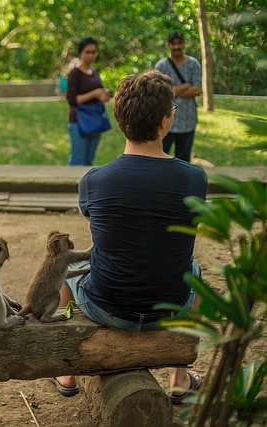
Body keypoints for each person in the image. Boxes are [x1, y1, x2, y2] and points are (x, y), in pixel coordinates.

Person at [52, 70, 207, 404]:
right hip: (169, 306)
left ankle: (66, 372)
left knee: (64, 271)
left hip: (106, 305)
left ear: (119, 120)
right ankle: (179, 378)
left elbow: (96, 220)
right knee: (195, 272)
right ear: (166, 122)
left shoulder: (94, 180)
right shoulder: (195, 179)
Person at [155, 31, 202, 162]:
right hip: (165, 121)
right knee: (160, 158)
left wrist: (172, 90)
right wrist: (187, 85)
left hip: (188, 120)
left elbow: (198, 90)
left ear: (184, 44)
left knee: (184, 159)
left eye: (179, 43)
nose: (176, 46)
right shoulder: (161, 65)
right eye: (173, 43)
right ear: (168, 45)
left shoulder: (193, 64)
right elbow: (160, 92)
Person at [65, 37, 111, 166]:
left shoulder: (94, 72)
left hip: (95, 119)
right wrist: (94, 93)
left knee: (88, 160)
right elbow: (72, 100)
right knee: (77, 160)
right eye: (88, 52)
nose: (91, 55)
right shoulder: (75, 73)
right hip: (79, 121)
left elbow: (99, 91)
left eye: (94, 52)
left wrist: (103, 94)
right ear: (81, 53)